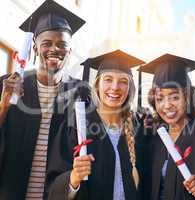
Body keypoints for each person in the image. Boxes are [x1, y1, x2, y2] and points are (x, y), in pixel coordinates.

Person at [0, 0, 86, 199]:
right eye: (46, 43)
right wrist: (3, 107)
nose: (54, 49)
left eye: (62, 44)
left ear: (70, 51)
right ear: (35, 47)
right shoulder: (7, 86)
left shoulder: (80, 94)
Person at [48, 49, 146, 200]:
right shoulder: (76, 124)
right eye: (108, 79)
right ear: (97, 84)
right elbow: (54, 184)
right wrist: (74, 178)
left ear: (130, 88)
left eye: (123, 81)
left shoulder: (137, 127)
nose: (115, 87)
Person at [141, 54, 195, 200]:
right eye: (160, 98)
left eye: (175, 97)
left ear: (187, 97)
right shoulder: (154, 139)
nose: (167, 105)